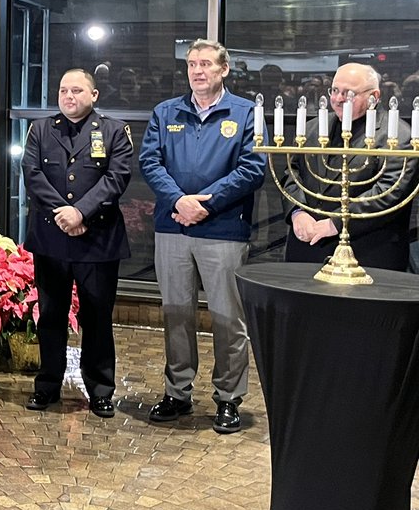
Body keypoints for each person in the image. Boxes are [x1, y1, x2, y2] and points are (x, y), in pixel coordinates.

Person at [139, 39, 265, 435]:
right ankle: (178, 392)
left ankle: (228, 398)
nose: (197, 71)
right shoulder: (166, 112)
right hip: (173, 225)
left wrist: (205, 205)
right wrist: (179, 200)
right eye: (192, 64)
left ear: (224, 69)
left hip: (224, 229)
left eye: (206, 64)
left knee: (229, 319)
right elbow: (150, 161)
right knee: (176, 314)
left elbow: (252, 168)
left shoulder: (246, 113)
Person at [22, 69, 132, 418]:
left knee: (97, 316)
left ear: (94, 95)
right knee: (51, 315)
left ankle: (99, 389)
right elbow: (32, 174)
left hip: (97, 240)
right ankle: (48, 384)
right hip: (52, 238)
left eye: (77, 90)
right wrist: (63, 213)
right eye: (63, 90)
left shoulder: (114, 130)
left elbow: (117, 178)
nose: (69, 96)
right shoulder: (40, 129)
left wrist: (81, 213)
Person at [285, 63, 416, 271]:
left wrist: (336, 223)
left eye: (349, 93)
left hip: (368, 254)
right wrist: (297, 212)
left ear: (374, 95)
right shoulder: (312, 128)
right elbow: (291, 173)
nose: (337, 99)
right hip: (307, 249)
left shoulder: (399, 137)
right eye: (335, 90)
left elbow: (391, 192)